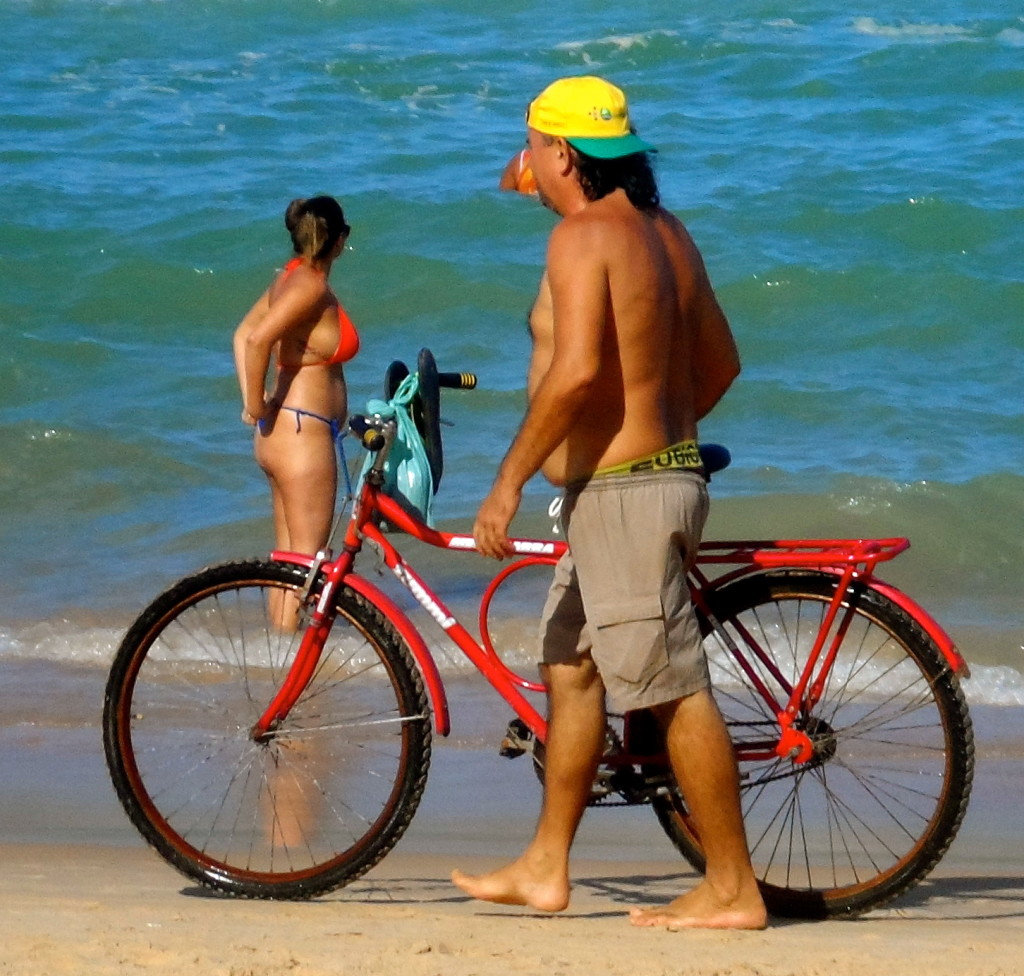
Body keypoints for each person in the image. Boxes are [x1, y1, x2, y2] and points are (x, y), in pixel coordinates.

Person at [452, 76, 767, 930]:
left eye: (533, 145)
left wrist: (510, 479)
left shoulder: (585, 237)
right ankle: (546, 865)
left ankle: (733, 887)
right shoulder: (666, 232)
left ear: (562, 151)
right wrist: (661, 432)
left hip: (628, 497)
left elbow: (578, 372)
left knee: (671, 688)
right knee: (573, 663)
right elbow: (724, 365)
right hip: (639, 484)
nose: (528, 161)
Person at [233, 196, 358, 622]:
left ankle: (282, 659)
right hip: (303, 434)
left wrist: (261, 410)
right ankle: (295, 673)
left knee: (288, 564)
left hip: (283, 433)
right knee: (308, 565)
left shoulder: (287, 279)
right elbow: (255, 342)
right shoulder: (310, 287)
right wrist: (254, 403)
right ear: (339, 241)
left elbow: (243, 334)